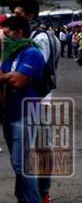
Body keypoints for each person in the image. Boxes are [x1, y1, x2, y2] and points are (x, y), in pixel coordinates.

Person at [0, 16, 48, 203]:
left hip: (27, 113)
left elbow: (18, 81)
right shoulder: (10, 53)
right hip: (10, 114)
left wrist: (7, 77)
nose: (4, 36)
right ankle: (23, 199)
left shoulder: (32, 53)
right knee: (17, 164)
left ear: (19, 32)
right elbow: (7, 77)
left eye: (7, 32)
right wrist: (8, 76)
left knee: (22, 165)